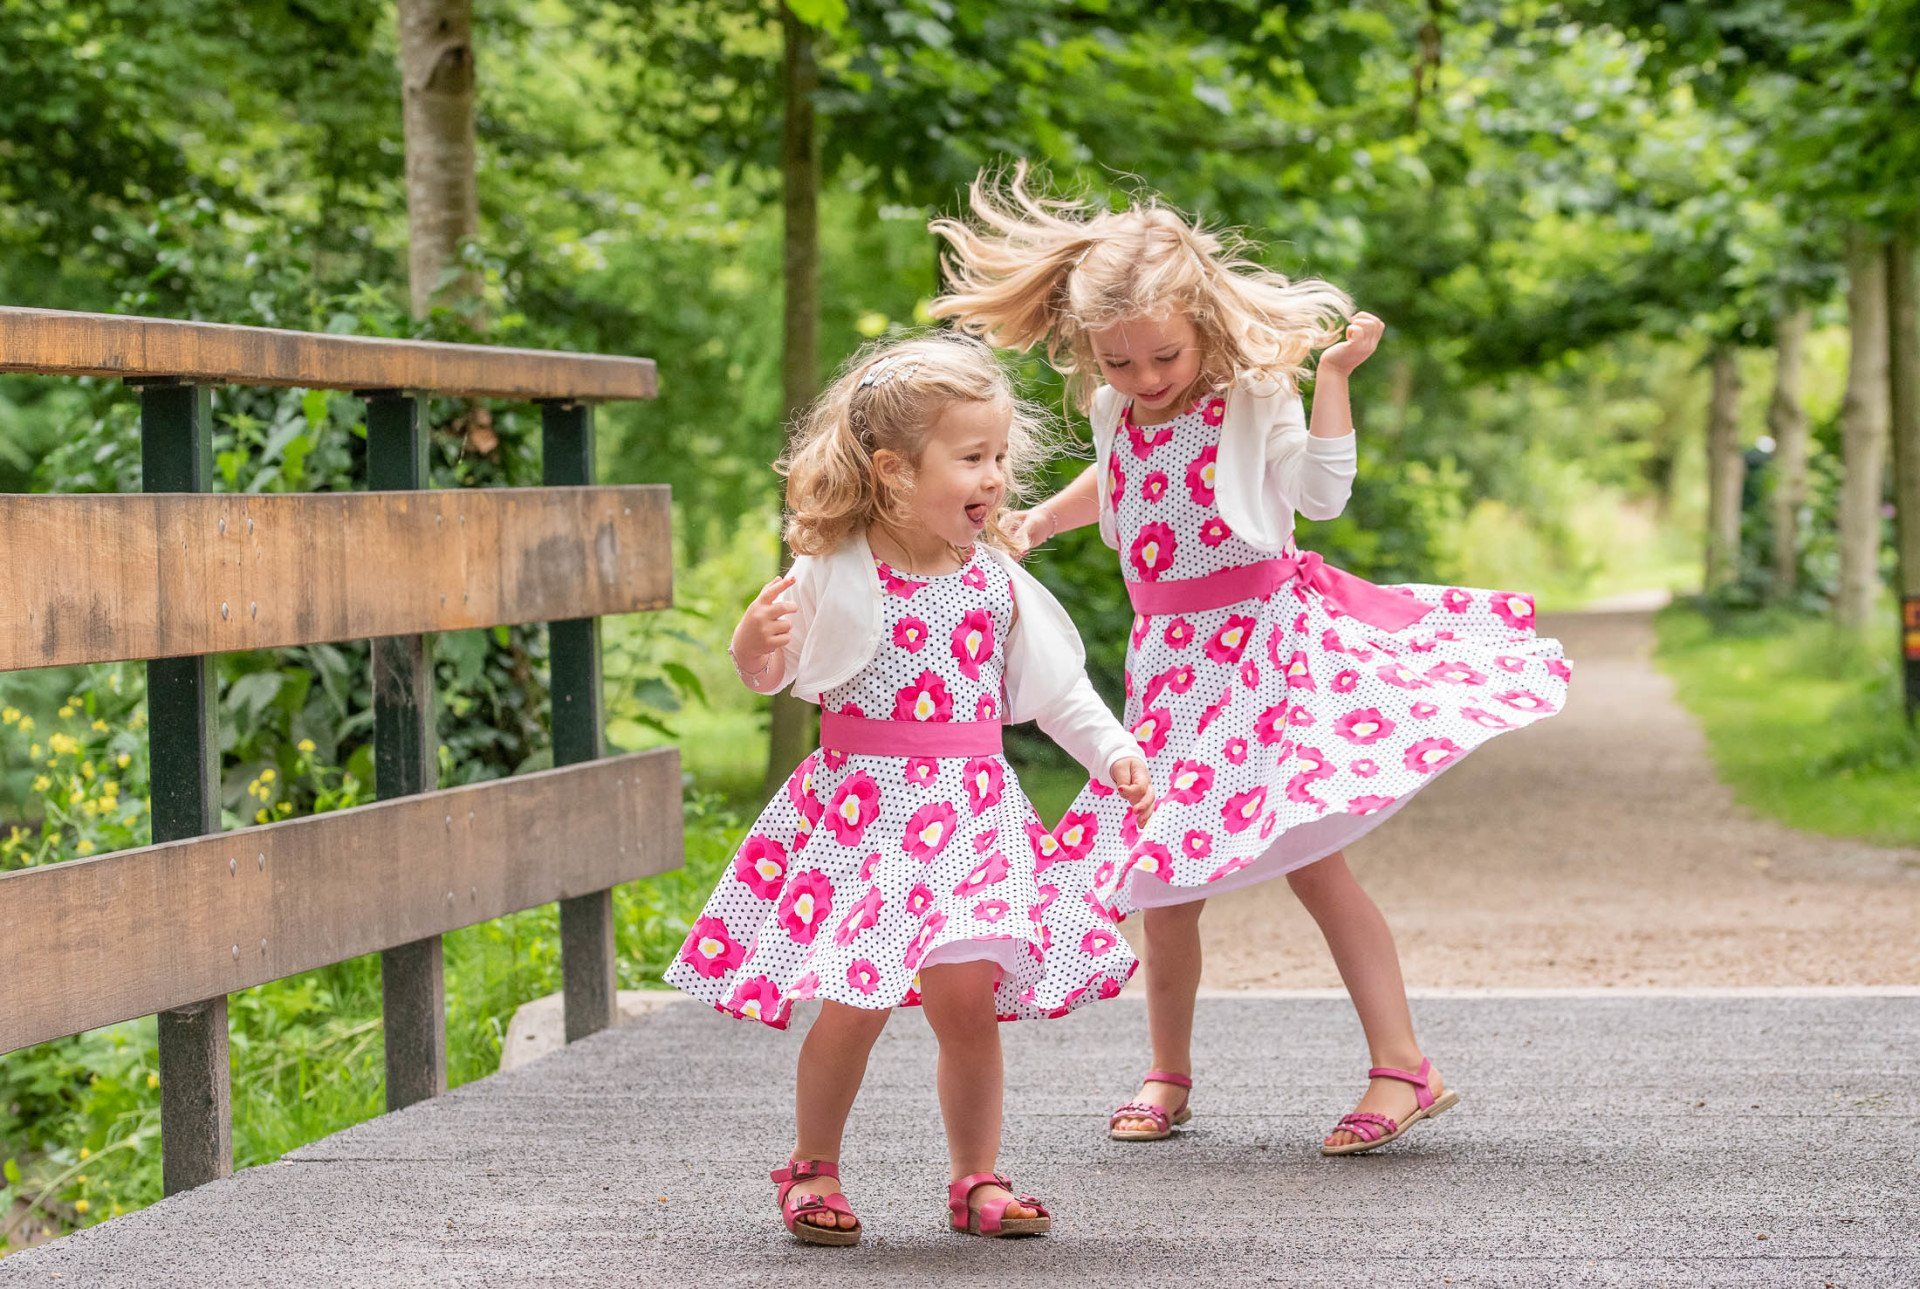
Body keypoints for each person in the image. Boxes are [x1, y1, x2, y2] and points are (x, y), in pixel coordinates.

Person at [932, 166, 1570, 1156]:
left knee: (1313, 862)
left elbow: (1318, 496)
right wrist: (1042, 522)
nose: (1145, 378)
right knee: (1163, 877)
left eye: (1162, 355)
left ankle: (1404, 1062)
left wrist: (1332, 383)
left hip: (1263, 657)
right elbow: (1119, 477)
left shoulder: (1250, 397)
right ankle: (1168, 1071)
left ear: (1203, 323)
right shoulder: (1119, 410)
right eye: (1119, 361)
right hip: (1171, 666)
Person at [664, 332, 1154, 1244]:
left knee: (965, 1000)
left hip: (970, 817)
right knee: (857, 995)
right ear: (892, 472)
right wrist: (750, 644)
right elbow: (776, 675)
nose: (996, 477)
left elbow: (1057, 692)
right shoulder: (835, 569)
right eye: (972, 458)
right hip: (867, 818)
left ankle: (977, 1175)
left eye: (1001, 456)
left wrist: (1113, 750)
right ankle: (814, 1165)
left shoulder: (995, 581)